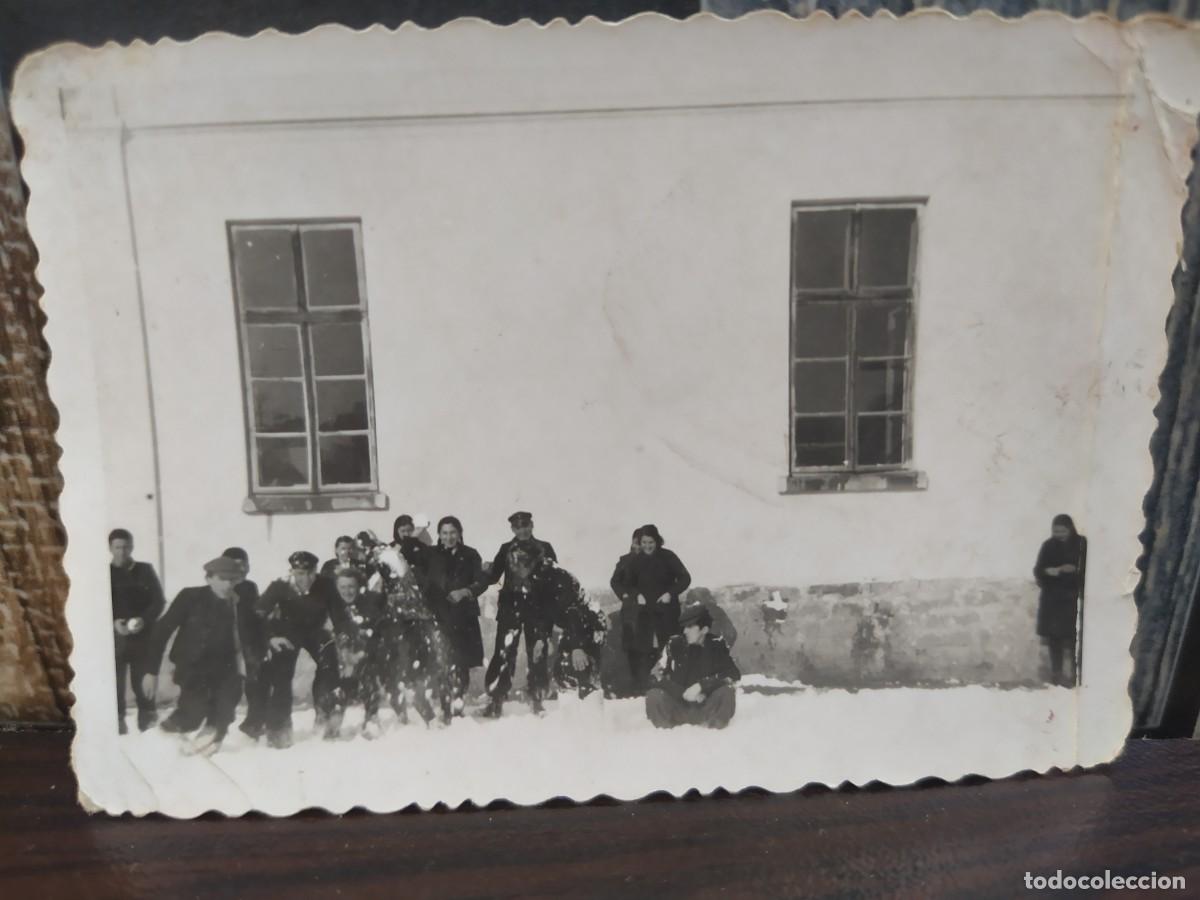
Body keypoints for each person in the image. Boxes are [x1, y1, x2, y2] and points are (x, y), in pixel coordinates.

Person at [141, 556, 246, 756]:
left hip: (226, 669)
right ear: (209, 578)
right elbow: (161, 631)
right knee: (192, 715)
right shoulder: (190, 597)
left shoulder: (238, 602)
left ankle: (210, 739)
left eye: (232, 580)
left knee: (225, 707)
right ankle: (160, 738)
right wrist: (150, 671)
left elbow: (254, 630)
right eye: (222, 579)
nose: (228, 584)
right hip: (192, 669)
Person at [254, 551, 341, 747]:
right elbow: (258, 614)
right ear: (292, 572)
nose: (306, 579)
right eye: (301, 574)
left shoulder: (325, 585)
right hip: (286, 632)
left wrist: (342, 635)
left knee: (329, 661)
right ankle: (278, 726)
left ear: (316, 571)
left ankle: (325, 713)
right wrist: (270, 637)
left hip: (315, 630)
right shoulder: (280, 586)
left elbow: (339, 614)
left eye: (310, 573)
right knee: (282, 672)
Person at [476, 511, 558, 717]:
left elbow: (556, 577)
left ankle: (537, 699)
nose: (522, 530)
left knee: (537, 654)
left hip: (537, 609)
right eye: (518, 527)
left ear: (532, 525)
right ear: (512, 529)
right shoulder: (506, 549)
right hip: (510, 608)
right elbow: (494, 577)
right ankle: (496, 699)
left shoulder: (545, 548)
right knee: (504, 653)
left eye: (526, 525)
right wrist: (483, 571)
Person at [422, 516, 485, 714]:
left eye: (453, 533)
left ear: (459, 534)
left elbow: (481, 581)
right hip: (439, 617)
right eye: (444, 533)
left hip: (463, 618)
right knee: (442, 663)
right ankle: (445, 708)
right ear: (439, 535)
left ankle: (457, 706)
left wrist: (465, 592)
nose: (449, 537)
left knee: (461, 664)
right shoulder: (430, 554)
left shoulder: (471, 554)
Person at [645, 604, 740, 729]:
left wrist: (701, 686)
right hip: (678, 709)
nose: (685, 631)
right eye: (684, 627)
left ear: (704, 630)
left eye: (690, 627)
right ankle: (666, 736)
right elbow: (654, 677)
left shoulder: (717, 644)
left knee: (727, 692)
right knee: (654, 695)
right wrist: (683, 693)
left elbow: (733, 674)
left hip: (706, 708)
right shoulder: (673, 644)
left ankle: (715, 734)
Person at [109, 528, 165, 734]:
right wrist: (114, 622)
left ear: (131, 547)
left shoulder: (144, 570)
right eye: (117, 547)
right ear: (110, 548)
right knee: (115, 683)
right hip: (116, 639)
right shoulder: (105, 573)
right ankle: (118, 722)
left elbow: (158, 601)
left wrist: (144, 619)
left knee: (141, 681)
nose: (122, 551)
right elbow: (97, 602)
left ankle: (148, 720)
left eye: (125, 547)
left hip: (142, 637)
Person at [327, 567, 391, 739]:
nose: (347, 591)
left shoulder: (369, 604)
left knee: (367, 676)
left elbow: (375, 634)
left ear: (358, 587)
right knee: (340, 682)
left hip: (374, 650)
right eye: (343, 587)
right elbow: (340, 630)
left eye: (351, 587)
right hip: (348, 652)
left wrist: (359, 656)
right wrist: (346, 654)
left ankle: (371, 719)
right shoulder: (335, 605)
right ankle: (333, 724)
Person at [1033, 513, 1088, 687]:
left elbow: (1089, 568)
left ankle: (1075, 675)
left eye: (1062, 531)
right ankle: (1056, 674)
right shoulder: (1048, 546)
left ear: (1070, 529)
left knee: (1074, 638)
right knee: (1054, 639)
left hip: (1072, 598)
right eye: (1056, 531)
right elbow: (1038, 570)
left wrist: (1075, 570)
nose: (1059, 535)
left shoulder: (1081, 543)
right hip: (1053, 599)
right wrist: (1050, 571)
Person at [221, 547, 269, 740]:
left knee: (257, 685)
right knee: (230, 689)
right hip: (228, 646)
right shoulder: (221, 587)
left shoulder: (250, 587)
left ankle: (254, 724)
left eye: (244, 565)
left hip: (250, 644)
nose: (241, 570)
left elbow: (257, 615)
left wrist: (264, 641)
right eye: (235, 566)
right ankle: (218, 725)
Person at [628, 523, 691, 659]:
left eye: (651, 542)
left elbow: (685, 578)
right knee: (646, 653)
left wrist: (670, 593)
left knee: (671, 651)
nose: (647, 546)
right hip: (645, 614)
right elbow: (628, 584)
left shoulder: (668, 557)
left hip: (667, 612)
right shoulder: (636, 561)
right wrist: (636, 595)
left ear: (657, 541)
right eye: (644, 542)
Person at [610, 527, 655, 694]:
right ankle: (636, 689)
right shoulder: (625, 561)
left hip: (651, 613)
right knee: (632, 652)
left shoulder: (655, 559)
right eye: (637, 542)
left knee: (651, 650)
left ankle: (646, 686)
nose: (640, 546)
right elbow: (615, 581)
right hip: (631, 614)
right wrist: (626, 595)